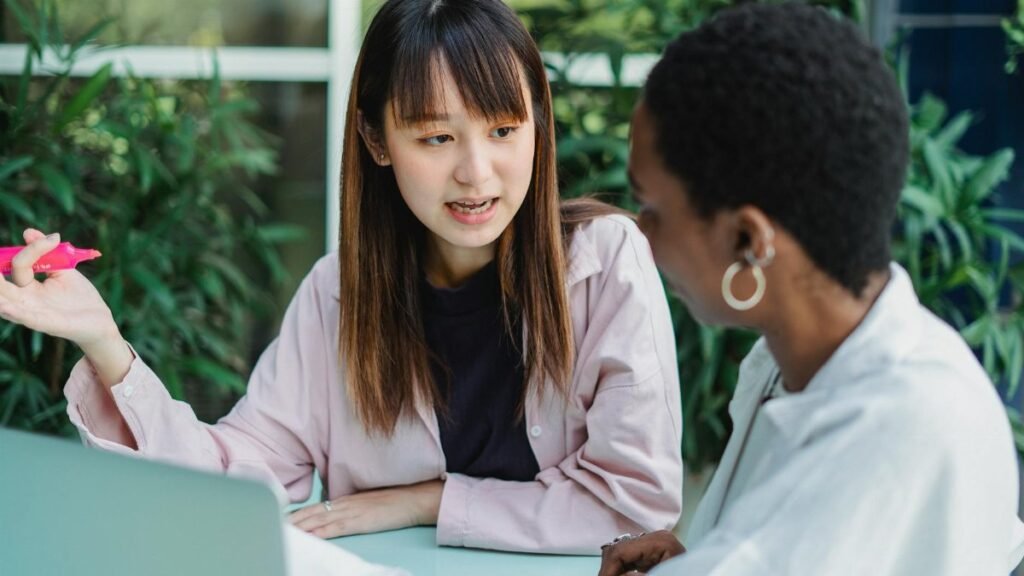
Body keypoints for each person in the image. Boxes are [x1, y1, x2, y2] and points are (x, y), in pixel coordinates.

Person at [0, 0, 683, 555]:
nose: (477, 172)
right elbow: (232, 478)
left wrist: (425, 501)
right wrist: (104, 343)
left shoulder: (605, 262)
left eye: (504, 130)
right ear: (378, 140)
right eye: (437, 138)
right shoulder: (339, 295)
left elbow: (635, 505)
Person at [598, 3, 1024, 575]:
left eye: (651, 209)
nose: (640, 235)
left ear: (749, 239)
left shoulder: (899, 427)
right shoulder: (786, 363)